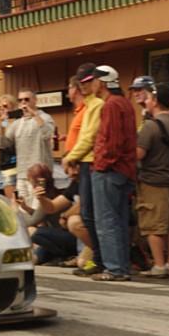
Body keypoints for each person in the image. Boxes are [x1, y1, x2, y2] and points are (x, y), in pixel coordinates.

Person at [90, 64, 138, 281]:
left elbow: (112, 142)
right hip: (125, 170)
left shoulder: (110, 105)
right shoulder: (125, 104)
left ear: (101, 82)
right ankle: (122, 267)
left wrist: (100, 165)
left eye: (93, 80)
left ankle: (114, 269)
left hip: (110, 170)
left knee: (106, 221)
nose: (91, 84)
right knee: (119, 219)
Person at [63, 63, 106, 276]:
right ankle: (98, 258)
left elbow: (89, 137)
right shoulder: (89, 105)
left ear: (97, 81)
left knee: (91, 214)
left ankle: (100, 259)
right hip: (85, 162)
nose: (84, 86)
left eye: (88, 81)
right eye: (82, 82)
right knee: (88, 214)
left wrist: (71, 157)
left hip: (91, 163)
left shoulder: (97, 104)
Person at [135, 82, 169, 277]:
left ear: (155, 101)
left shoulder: (151, 126)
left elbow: (138, 154)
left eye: (149, 98)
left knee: (154, 225)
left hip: (154, 181)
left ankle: (158, 265)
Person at [0, 88, 55, 206]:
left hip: (40, 175)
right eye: (20, 100)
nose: (23, 102)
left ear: (35, 100)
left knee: (38, 210)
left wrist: (34, 114)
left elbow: (48, 134)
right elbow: (3, 143)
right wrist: (3, 124)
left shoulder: (45, 117)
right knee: (22, 209)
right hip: (22, 174)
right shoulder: (18, 123)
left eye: (27, 99)